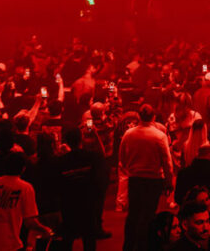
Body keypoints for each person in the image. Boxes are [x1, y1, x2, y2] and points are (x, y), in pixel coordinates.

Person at [120, 104, 175, 251]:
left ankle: (129, 245)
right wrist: (169, 181)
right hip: (154, 179)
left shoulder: (129, 134)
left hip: (135, 178)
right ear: (153, 117)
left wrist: (130, 168)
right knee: (149, 214)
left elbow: (122, 157)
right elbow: (167, 161)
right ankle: (144, 245)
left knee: (133, 213)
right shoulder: (159, 136)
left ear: (139, 116)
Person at [0, 152, 53, 251]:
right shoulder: (25, 188)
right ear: (23, 168)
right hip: (9, 242)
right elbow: (29, 222)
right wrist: (46, 230)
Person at [56, 126, 107, 251]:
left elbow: (57, 182)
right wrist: (95, 135)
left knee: (68, 238)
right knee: (89, 238)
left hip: (69, 203)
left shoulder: (61, 161)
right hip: (87, 202)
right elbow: (102, 154)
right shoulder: (91, 156)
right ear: (81, 139)